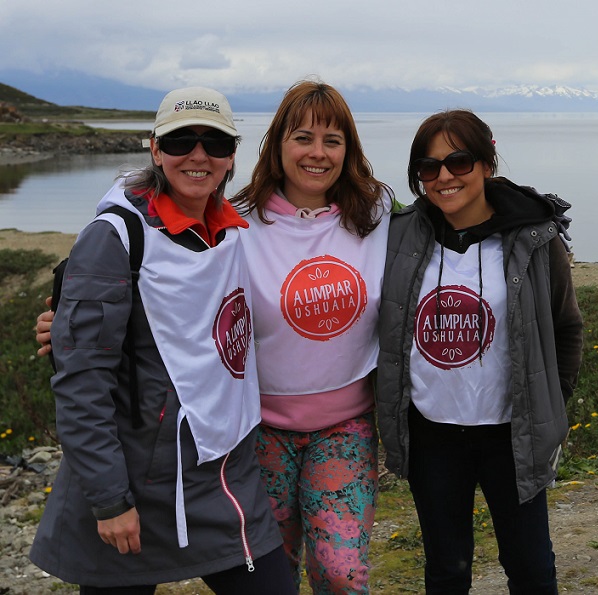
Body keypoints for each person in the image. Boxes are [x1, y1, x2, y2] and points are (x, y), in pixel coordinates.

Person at [34, 80, 390, 593]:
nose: (198, 156)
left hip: (221, 468)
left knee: (310, 577)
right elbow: (83, 374)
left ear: (232, 155)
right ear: (155, 148)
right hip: (140, 473)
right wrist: (110, 498)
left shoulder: (229, 231)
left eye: (216, 144)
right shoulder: (124, 234)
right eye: (180, 141)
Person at [375, 109, 584, 594]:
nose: (444, 176)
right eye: (428, 168)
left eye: (459, 161)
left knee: (531, 567)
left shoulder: (535, 237)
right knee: (447, 569)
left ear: (488, 163)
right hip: (432, 434)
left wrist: (552, 399)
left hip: (510, 434)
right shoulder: (399, 235)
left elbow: (567, 327)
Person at [229, 80, 392, 593]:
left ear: (350, 150)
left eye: (333, 140)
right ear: (278, 145)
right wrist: (77, 314)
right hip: (258, 431)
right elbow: (174, 288)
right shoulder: (233, 222)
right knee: (269, 575)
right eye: (303, 137)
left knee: (340, 574)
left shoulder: (378, 213)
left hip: (344, 427)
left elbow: (453, 227)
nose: (318, 153)